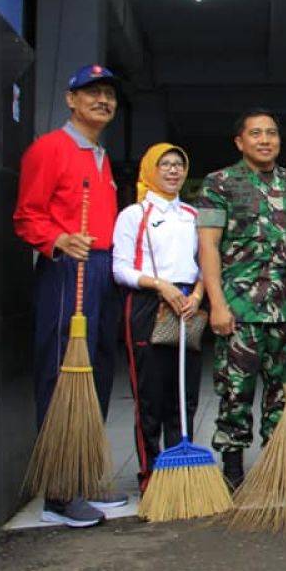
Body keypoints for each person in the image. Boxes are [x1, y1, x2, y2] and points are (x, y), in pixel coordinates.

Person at [13, 63, 129, 527]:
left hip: (103, 269)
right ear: (71, 99)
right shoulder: (50, 149)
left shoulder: (100, 155)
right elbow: (27, 217)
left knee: (98, 371)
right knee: (62, 373)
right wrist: (58, 240)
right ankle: (58, 494)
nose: (103, 101)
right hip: (67, 270)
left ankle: (83, 478)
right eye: (92, 93)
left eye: (109, 96)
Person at [196, 109, 286, 489]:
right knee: (235, 392)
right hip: (239, 309)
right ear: (239, 142)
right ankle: (232, 470)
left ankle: (278, 466)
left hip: (284, 311)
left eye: (272, 133)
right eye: (256, 133)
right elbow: (208, 247)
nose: (266, 140)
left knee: (282, 396)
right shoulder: (219, 184)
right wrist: (217, 303)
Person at [112, 143, 204, 494]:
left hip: (187, 305)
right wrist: (160, 286)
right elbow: (120, 268)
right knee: (150, 395)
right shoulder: (134, 215)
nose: (172, 171)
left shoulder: (192, 216)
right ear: (151, 169)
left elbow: (204, 263)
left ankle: (181, 473)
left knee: (184, 394)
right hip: (149, 304)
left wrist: (196, 295)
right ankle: (150, 474)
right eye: (164, 164)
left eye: (179, 164)